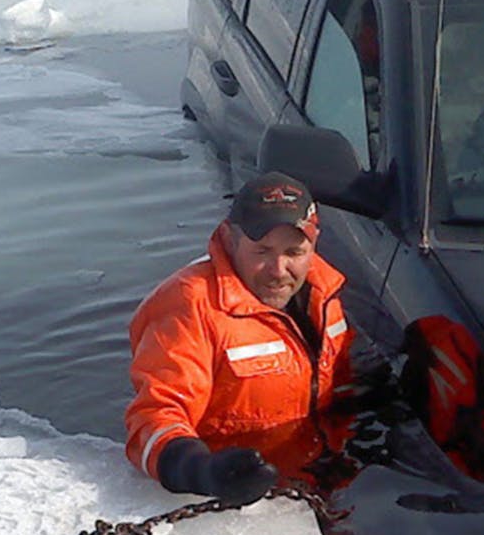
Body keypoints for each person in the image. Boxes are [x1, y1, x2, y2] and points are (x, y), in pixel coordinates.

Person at [124, 172, 354, 506]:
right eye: (262, 251)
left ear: (313, 245)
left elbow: (343, 382)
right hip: (238, 492)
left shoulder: (325, 292)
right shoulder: (189, 305)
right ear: (232, 241)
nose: (279, 269)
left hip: (322, 474)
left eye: (294, 252)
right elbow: (153, 417)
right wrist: (202, 471)